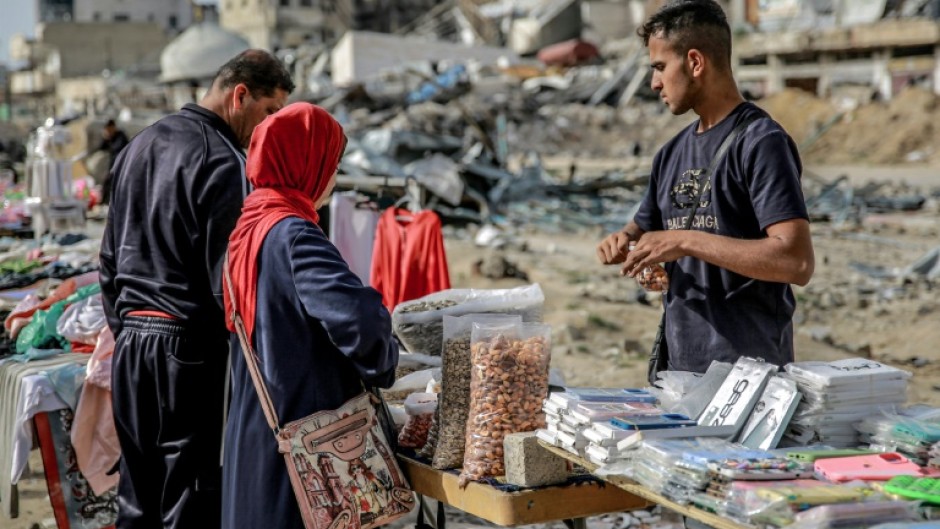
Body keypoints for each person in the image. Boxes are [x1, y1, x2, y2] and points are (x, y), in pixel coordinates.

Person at [99, 49, 294, 529]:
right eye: (269, 110)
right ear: (240, 95)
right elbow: (230, 287)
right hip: (187, 353)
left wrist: (127, 332)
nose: (269, 126)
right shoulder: (224, 160)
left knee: (136, 498)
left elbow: (107, 262)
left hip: (131, 346)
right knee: (188, 502)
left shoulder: (139, 145)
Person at [596, 0, 814, 374]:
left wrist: (685, 241)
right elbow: (645, 229)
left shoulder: (761, 142)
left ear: (695, 63)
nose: (654, 83)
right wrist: (623, 242)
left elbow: (796, 261)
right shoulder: (670, 153)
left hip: (749, 377)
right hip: (679, 371)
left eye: (660, 67)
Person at [221, 102, 399, 528]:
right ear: (306, 162)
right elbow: (358, 318)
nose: (334, 177)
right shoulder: (294, 234)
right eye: (331, 164)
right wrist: (384, 360)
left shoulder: (248, 229)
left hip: (257, 431)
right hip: (307, 444)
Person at [97, 119, 130, 205]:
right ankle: (105, 202)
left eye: (109, 129)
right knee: (108, 183)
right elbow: (102, 148)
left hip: (122, 165)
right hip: (113, 165)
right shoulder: (110, 137)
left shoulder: (121, 136)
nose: (109, 131)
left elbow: (117, 149)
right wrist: (105, 138)